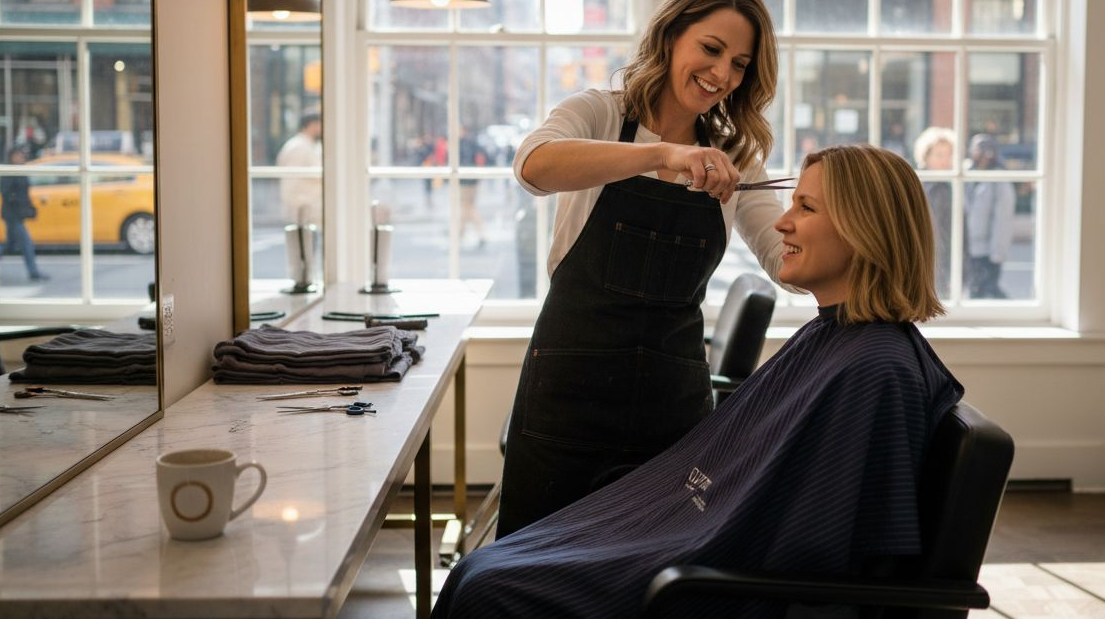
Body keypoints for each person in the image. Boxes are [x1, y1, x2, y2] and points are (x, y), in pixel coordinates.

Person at [434, 144, 963, 618]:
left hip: (709, 582)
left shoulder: (875, 370)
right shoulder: (837, 338)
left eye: (805, 207)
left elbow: (817, 553)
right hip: (691, 544)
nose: (782, 223)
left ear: (864, 228)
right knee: (482, 570)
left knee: (487, 588)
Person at [498, 0, 791, 537]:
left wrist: (840, 225)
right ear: (671, 35)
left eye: (739, 64)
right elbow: (533, 166)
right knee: (529, 561)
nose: (722, 74)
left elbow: (785, 261)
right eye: (711, 49)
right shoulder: (600, 113)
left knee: (649, 568)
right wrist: (661, 155)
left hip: (671, 409)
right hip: (568, 394)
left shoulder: (732, 156)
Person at [964, 132, 1015, 299]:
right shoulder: (965, 173)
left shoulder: (999, 179)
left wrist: (997, 252)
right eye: (978, 149)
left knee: (988, 291)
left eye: (986, 150)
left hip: (988, 250)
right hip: (967, 247)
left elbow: (1002, 218)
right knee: (971, 292)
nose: (982, 155)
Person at [914, 126, 955, 299]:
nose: (945, 160)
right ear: (926, 156)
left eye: (949, 155)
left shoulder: (949, 185)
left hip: (944, 260)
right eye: (939, 155)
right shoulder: (922, 186)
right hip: (932, 261)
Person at [0, 144, 49, 281]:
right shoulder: (8, 172)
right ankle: (33, 272)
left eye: (22, 155)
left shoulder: (21, 171)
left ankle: (34, 272)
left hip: (18, 214)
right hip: (12, 215)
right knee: (27, 244)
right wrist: (20, 206)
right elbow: (7, 194)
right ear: (12, 157)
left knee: (9, 245)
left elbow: (24, 193)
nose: (21, 158)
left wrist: (29, 208)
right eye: (18, 155)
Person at [275, 109, 323, 225]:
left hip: (309, 205)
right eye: (320, 124)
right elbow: (293, 180)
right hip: (302, 206)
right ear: (312, 125)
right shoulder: (298, 147)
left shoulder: (310, 145)